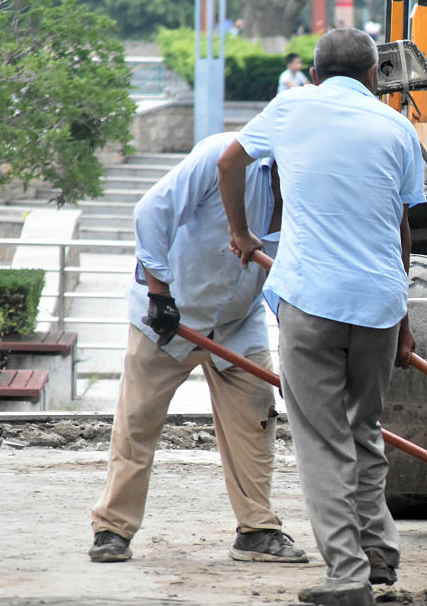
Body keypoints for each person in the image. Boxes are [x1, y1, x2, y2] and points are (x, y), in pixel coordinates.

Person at [218, 28, 422, 606]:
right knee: (365, 428)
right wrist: (403, 317)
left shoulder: (290, 108)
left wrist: (240, 232)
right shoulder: (397, 128)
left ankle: (348, 574)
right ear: (375, 76)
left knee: (322, 439)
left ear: (312, 74)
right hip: (380, 304)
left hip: (312, 301)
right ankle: (379, 552)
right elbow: (401, 227)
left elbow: (230, 159)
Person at [89, 132, 307, 566]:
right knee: (137, 422)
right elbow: (151, 211)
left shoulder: (312, 193)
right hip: (171, 317)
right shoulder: (221, 158)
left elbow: (296, 284)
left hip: (238, 323)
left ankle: (257, 530)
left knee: (256, 420)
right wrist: (159, 294)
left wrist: (302, 356)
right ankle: (112, 529)